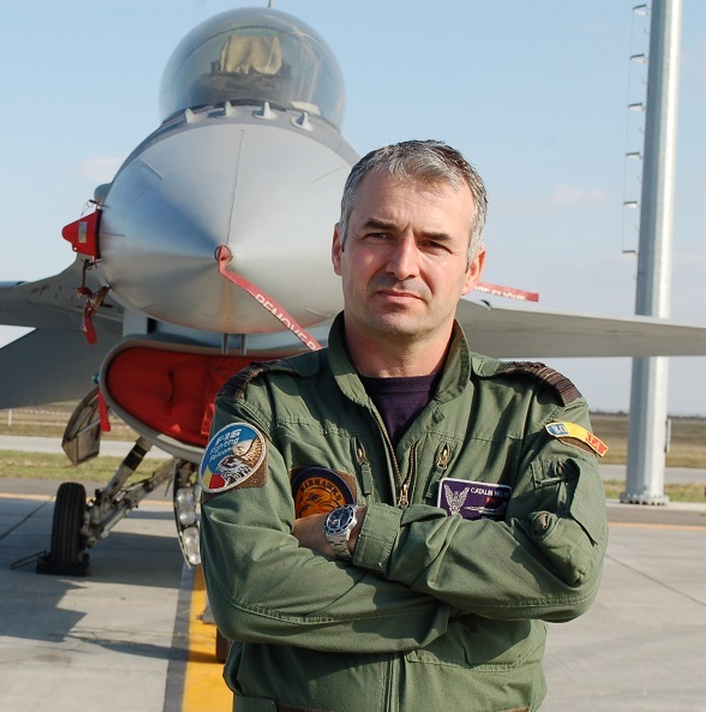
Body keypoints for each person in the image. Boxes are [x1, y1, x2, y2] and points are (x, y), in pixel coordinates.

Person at [198, 139, 609, 712]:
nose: (402, 265)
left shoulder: (535, 412)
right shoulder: (264, 405)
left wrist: (361, 530)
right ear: (339, 248)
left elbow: (564, 575)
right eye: (378, 235)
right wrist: (469, 598)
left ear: (472, 268)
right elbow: (247, 594)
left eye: (434, 243)